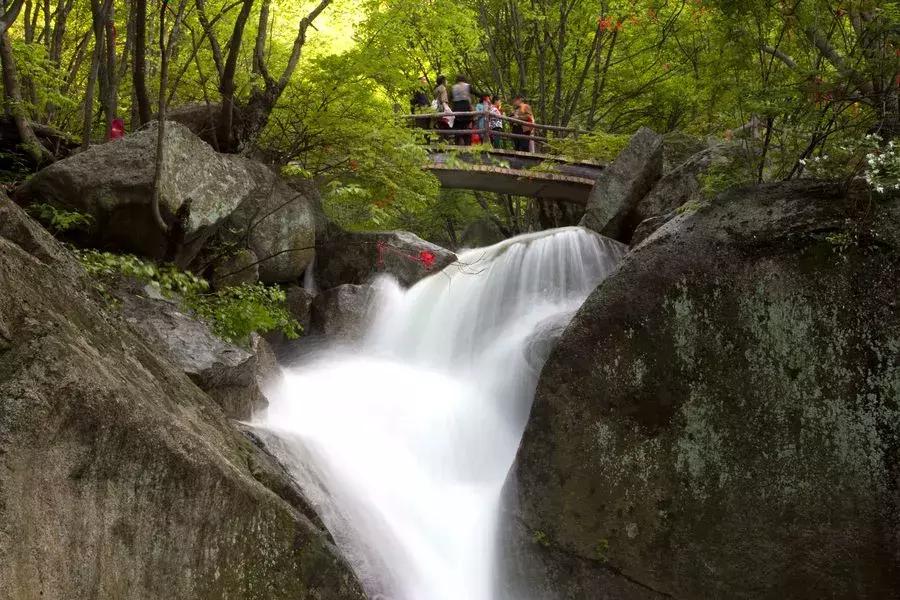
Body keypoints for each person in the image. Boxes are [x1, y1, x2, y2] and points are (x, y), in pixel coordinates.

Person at [450, 75, 474, 146]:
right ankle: (467, 145)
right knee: (466, 127)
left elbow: (450, 98)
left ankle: (457, 146)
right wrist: (484, 95)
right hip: (466, 109)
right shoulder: (467, 86)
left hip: (456, 109)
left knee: (457, 129)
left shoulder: (453, 87)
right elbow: (476, 92)